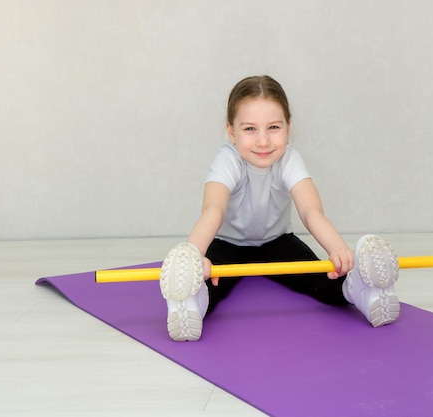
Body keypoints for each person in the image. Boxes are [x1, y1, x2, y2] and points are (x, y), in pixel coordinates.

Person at [159, 75, 399, 341]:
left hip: (277, 243)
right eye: (250, 129)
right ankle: (192, 302)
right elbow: (212, 210)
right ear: (231, 131)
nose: (263, 141)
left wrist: (338, 250)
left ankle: (358, 289)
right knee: (211, 283)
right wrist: (195, 256)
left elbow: (311, 211)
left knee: (319, 278)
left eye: (273, 127)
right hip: (228, 244)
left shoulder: (289, 159)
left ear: (288, 126)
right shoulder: (227, 160)